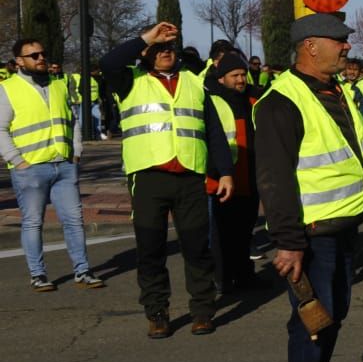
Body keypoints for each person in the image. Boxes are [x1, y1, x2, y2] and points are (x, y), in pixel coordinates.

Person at [254, 13, 363, 362]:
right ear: (310, 47)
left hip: (340, 226)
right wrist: (288, 242)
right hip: (311, 233)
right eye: (338, 40)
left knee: (331, 315)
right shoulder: (281, 101)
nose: (346, 47)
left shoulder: (331, 90)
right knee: (312, 321)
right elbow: (275, 179)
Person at [101, 21, 233, 337]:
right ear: (145, 52)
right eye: (157, 48)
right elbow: (108, 62)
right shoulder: (129, 79)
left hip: (190, 175)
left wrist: (225, 172)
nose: (165, 53)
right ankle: (157, 312)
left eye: (169, 47)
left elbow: (213, 130)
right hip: (148, 176)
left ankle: (202, 311)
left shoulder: (194, 81)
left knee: (197, 247)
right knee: (150, 249)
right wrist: (147, 37)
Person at [3, 36, 104, 292]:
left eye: (42, 54)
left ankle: (82, 271)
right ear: (19, 62)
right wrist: (18, 161)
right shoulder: (8, 89)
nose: (41, 58)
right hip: (31, 169)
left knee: (73, 220)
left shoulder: (58, 85)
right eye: (33, 55)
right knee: (33, 222)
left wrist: (76, 151)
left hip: (64, 165)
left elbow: (73, 121)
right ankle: (38, 275)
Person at [204, 51, 261, 296]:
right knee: (222, 235)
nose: (241, 80)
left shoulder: (253, 99)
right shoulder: (212, 100)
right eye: (235, 75)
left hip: (250, 177)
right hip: (223, 179)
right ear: (221, 78)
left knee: (245, 231)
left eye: (243, 75)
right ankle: (222, 280)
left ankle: (244, 275)